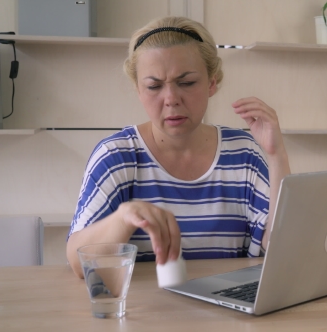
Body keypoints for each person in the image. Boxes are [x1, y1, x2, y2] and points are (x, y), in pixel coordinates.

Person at [66, 16, 291, 278]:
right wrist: (124, 217)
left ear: (212, 83)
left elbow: (281, 248)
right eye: (154, 86)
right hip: (144, 314)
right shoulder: (116, 156)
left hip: (227, 313)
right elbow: (77, 260)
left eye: (186, 83)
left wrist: (277, 156)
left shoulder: (243, 153)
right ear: (138, 89)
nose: (171, 99)